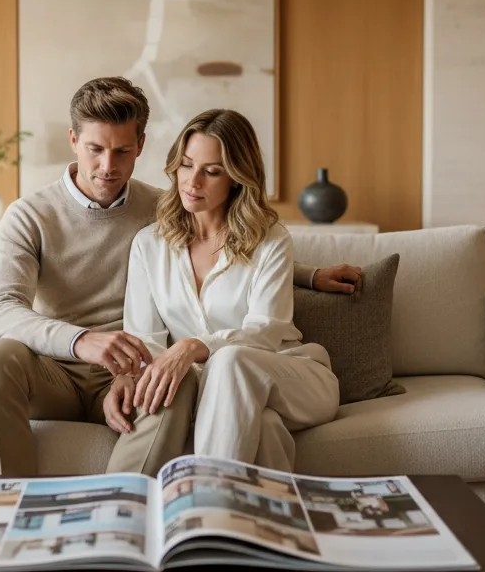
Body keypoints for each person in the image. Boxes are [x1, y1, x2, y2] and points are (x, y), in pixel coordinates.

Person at [0, 77, 360, 477]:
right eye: (95, 149)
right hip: (59, 366)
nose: (108, 166)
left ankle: (122, 509)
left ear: (141, 145)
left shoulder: (166, 206)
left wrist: (307, 275)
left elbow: (232, 245)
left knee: (186, 382)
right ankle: (5, 502)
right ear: (73, 140)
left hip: (141, 365)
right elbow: (0, 310)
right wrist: (81, 341)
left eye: (122, 150)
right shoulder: (34, 216)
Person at [118, 108, 341, 471]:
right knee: (265, 427)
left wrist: (195, 345)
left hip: (292, 377)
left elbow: (265, 331)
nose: (193, 182)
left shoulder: (270, 241)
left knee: (230, 358)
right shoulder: (149, 245)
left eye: (212, 171)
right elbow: (146, 340)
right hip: (216, 393)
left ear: (236, 178)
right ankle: (267, 517)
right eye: (187, 165)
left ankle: (206, 499)